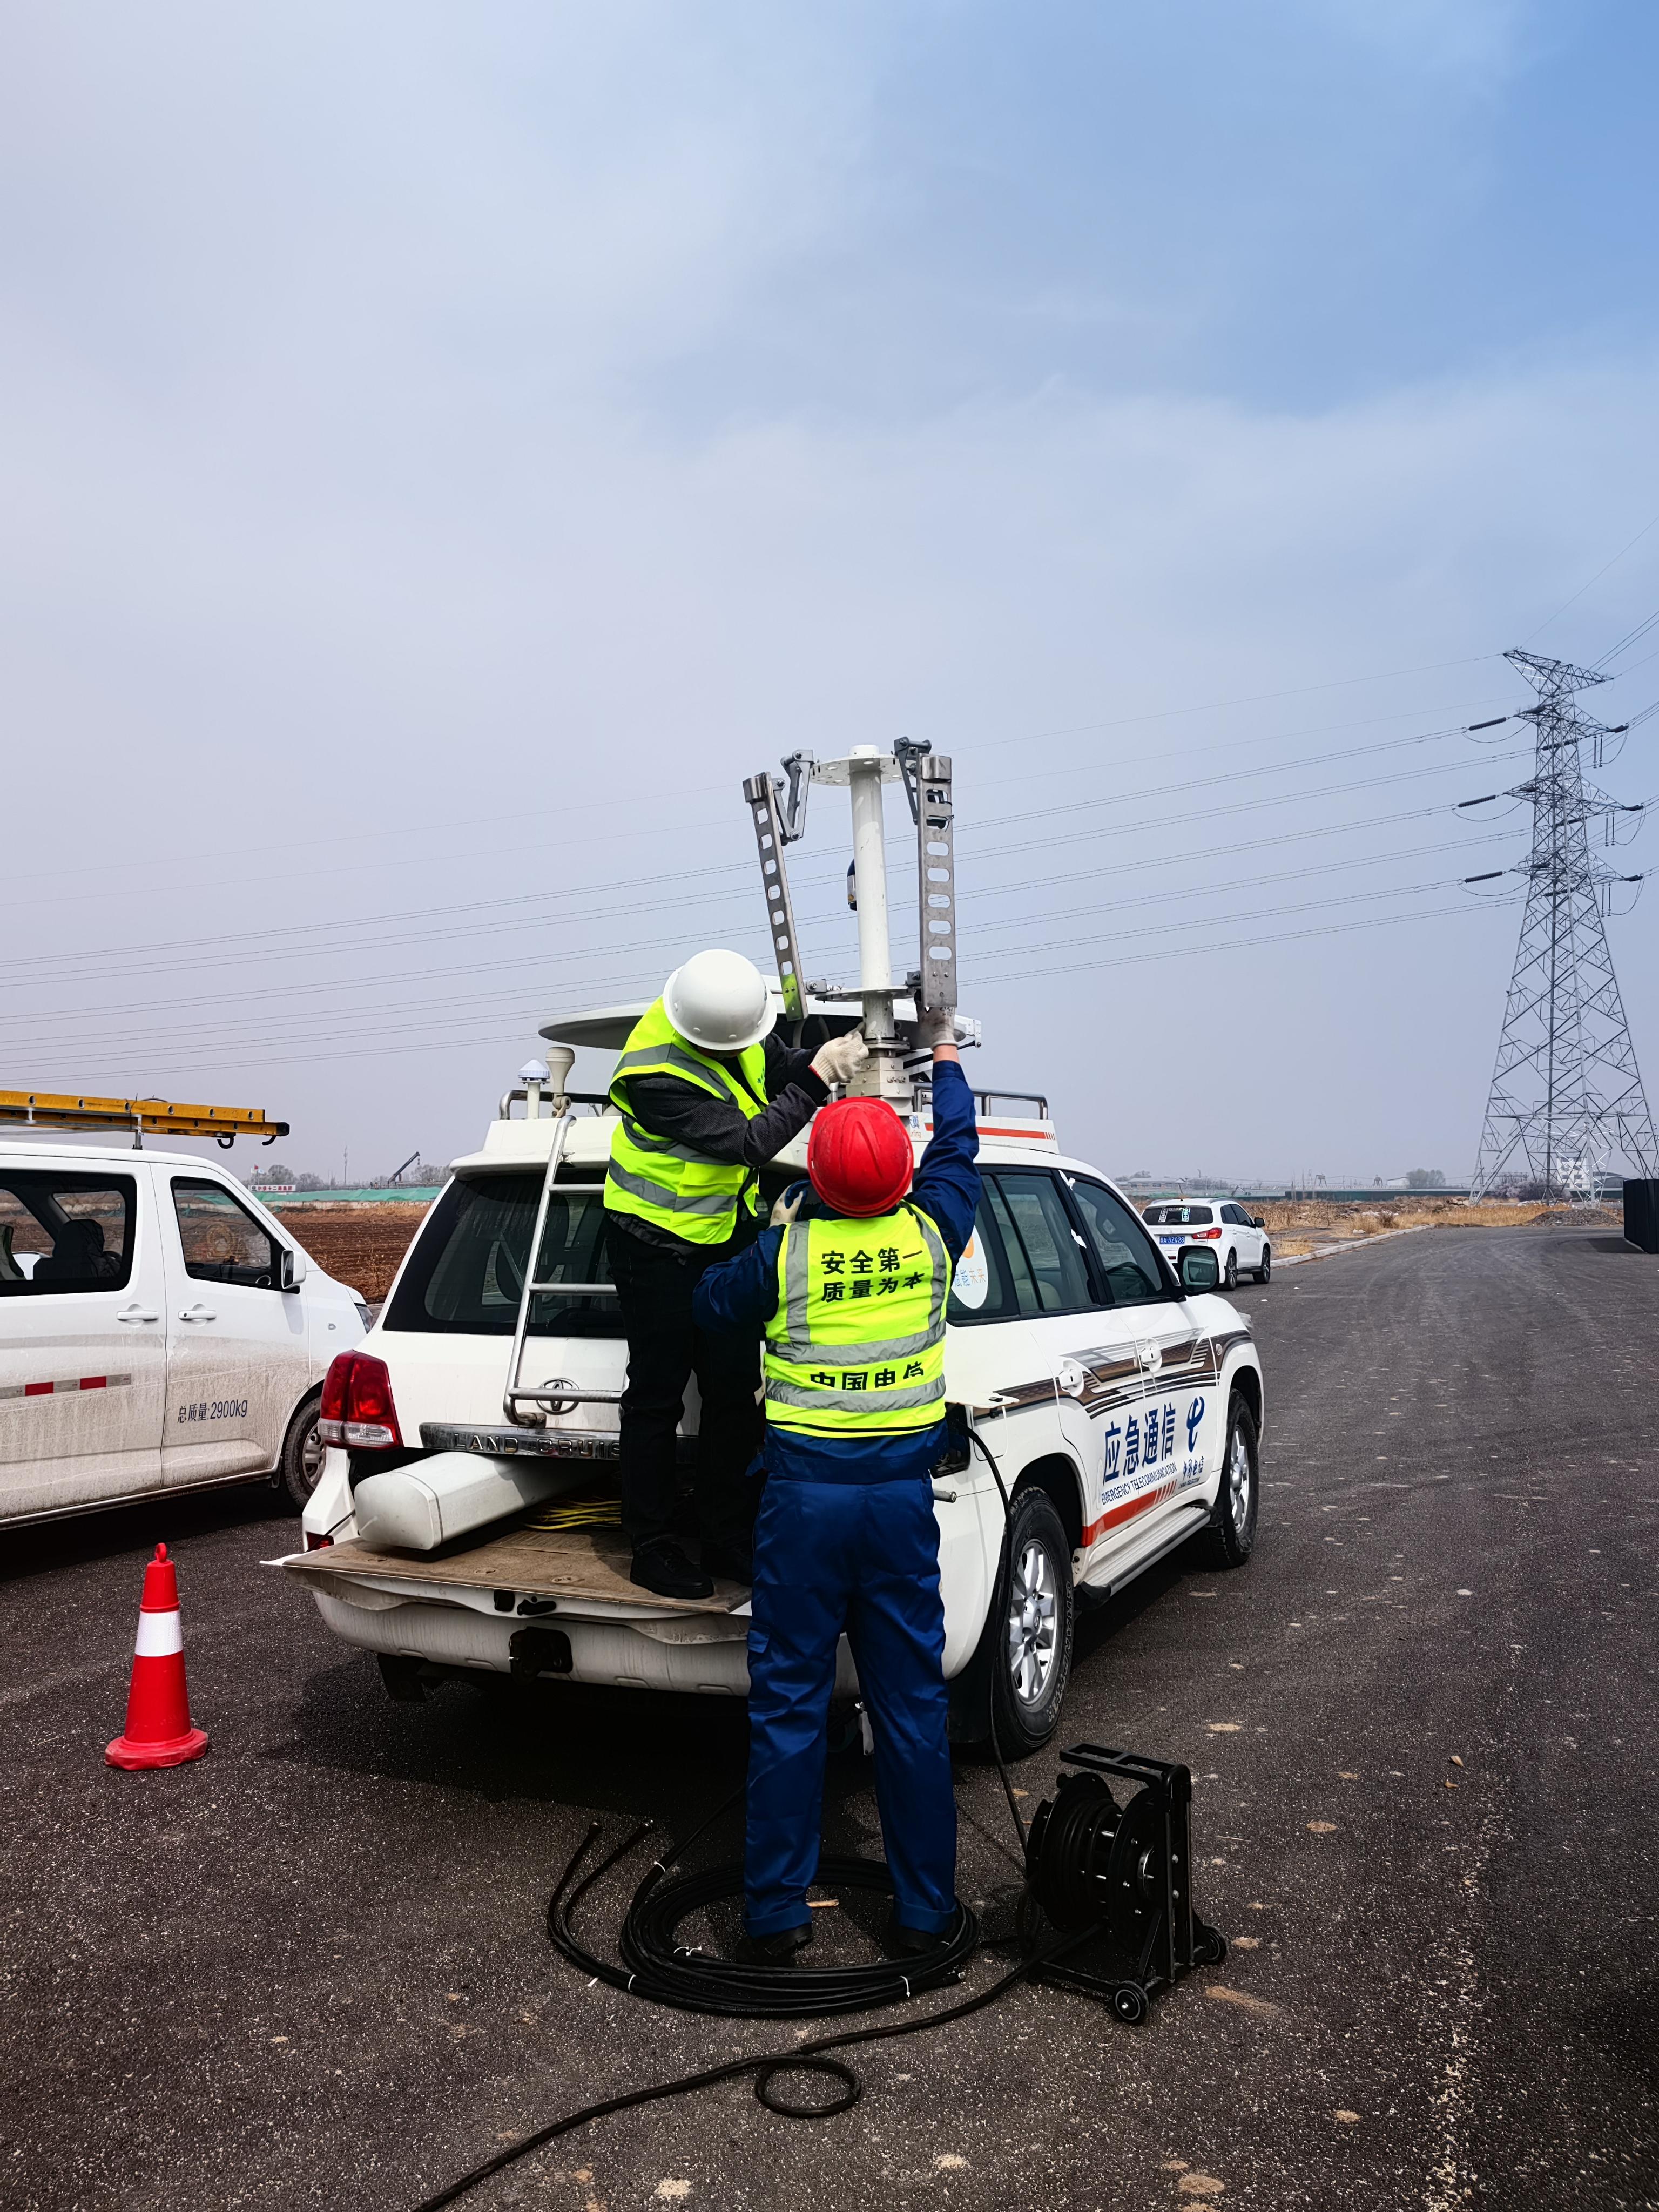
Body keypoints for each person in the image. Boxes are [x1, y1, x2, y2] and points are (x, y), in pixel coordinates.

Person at [692, 1010, 979, 1960]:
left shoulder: (787, 1255)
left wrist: (762, 1218)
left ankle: (774, 1915)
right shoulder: (936, 1234)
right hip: (897, 1508)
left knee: (787, 1705)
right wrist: (942, 1060)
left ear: (812, 1180)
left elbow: (710, 1304)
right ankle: (925, 1911)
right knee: (910, 1709)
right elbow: (960, 1151)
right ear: (904, 1180)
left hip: (802, 1509)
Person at [604, 948, 869, 1600]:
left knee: (731, 1392)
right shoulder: (656, 1073)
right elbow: (749, 1142)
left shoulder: (731, 1018)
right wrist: (817, 1082)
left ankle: (724, 1534)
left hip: (721, 1236)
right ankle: (653, 1543)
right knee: (658, 1395)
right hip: (653, 1244)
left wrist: (824, 1053)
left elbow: (774, 1062)